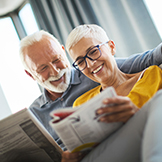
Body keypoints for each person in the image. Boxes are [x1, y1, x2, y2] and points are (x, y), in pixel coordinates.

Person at [19, 30, 162, 151]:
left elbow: (149, 59)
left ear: (63, 52)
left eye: (57, 59)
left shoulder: (96, 71)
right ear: (31, 75)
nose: (55, 71)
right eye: (43, 68)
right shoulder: (33, 115)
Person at [63, 24, 162, 161]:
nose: (91, 64)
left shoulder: (152, 75)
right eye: (80, 62)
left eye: (93, 52)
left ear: (111, 47)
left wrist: (136, 114)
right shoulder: (81, 103)